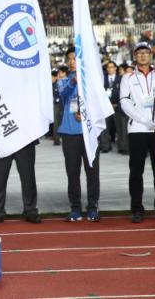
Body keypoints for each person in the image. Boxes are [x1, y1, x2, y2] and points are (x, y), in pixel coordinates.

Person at [119, 42, 155, 223]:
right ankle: (137, 209)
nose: (142, 55)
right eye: (139, 53)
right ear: (135, 56)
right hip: (138, 129)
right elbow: (124, 102)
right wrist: (142, 119)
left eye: (146, 52)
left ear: (151, 55)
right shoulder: (128, 77)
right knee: (136, 171)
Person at [57, 48, 100, 222]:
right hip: (69, 132)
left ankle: (93, 207)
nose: (71, 62)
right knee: (73, 173)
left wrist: (86, 114)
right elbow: (63, 93)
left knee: (92, 172)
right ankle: (75, 208)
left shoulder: (92, 80)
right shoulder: (63, 81)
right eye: (69, 59)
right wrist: (73, 82)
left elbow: (98, 103)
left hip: (89, 132)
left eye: (75, 59)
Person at [99, 61, 120, 152]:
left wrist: (117, 103)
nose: (110, 69)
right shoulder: (102, 79)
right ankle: (105, 146)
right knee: (105, 127)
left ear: (115, 68)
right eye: (108, 67)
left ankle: (122, 147)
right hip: (105, 106)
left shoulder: (120, 78)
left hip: (117, 106)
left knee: (118, 127)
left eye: (112, 67)